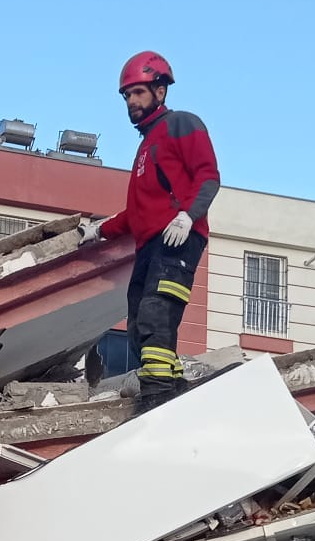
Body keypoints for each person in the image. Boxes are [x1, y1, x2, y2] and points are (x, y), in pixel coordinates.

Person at [80, 51, 221, 414]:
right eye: (126, 95)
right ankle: (169, 385)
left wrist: (188, 217)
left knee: (157, 313)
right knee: (139, 321)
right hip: (150, 246)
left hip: (177, 239)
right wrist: (100, 230)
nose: (131, 101)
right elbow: (136, 214)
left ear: (160, 91)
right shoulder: (146, 145)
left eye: (138, 93)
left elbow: (208, 176)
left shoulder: (183, 125)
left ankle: (157, 396)